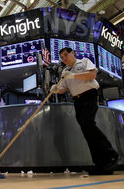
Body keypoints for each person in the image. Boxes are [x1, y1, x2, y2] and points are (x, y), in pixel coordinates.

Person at [50, 47, 118, 175]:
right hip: (78, 100)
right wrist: (56, 89)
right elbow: (64, 88)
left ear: (73, 53)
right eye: (62, 57)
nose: (64, 58)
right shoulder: (65, 72)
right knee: (86, 130)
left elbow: (92, 75)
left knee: (87, 123)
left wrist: (74, 75)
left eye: (66, 55)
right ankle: (100, 164)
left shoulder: (84, 62)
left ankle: (111, 155)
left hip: (89, 95)